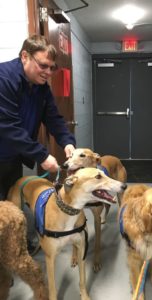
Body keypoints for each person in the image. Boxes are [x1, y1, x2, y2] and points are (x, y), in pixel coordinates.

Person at [0, 35, 76, 252]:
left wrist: (67, 142)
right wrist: (42, 155)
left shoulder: (41, 88)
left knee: (11, 207)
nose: (48, 72)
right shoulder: (4, 79)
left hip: (11, 158)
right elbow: (7, 126)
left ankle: (15, 249)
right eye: (43, 65)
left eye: (52, 68)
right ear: (25, 56)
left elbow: (54, 119)